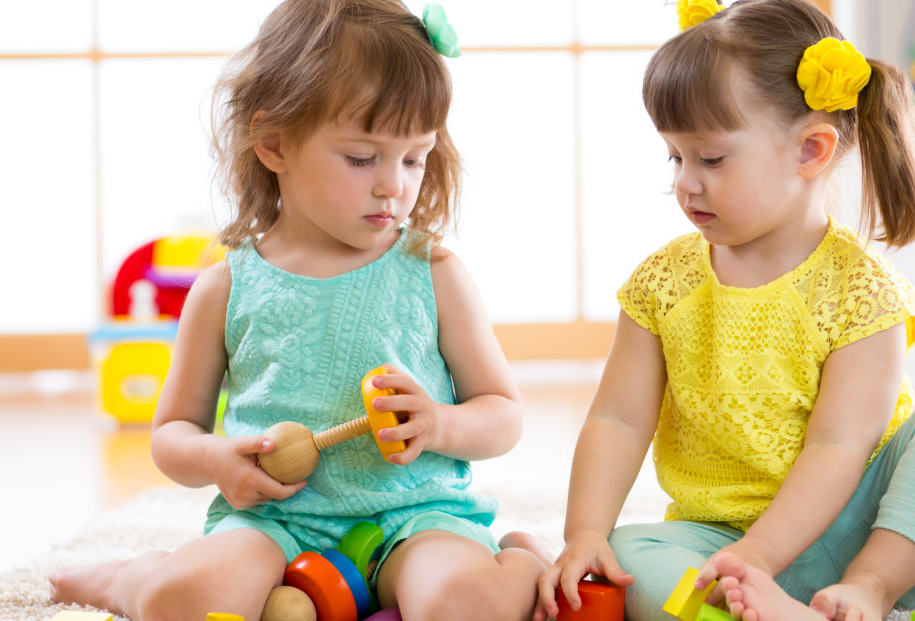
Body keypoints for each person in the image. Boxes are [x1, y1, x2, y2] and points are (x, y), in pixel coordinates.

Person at [48, 1, 549, 619]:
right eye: (362, 158)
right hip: (273, 523)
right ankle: (126, 578)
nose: (394, 184)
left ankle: (521, 556)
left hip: (415, 517)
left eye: (414, 158)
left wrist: (439, 426)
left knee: (470, 604)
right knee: (183, 600)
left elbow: (502, 414)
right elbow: (171, 436)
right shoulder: (225, 286)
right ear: (274, 144)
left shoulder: (435, 273)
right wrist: (214, 460)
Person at [533, 1, 915, 620]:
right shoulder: (663, 283)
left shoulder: (860, 292)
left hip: (861, 534)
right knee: (631, 552)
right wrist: (585, 534)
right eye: (674, 157)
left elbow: (839, 445)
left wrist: (765, 555)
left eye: (710, 159)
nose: (685, 181)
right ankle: (763, 611)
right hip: (717, 545)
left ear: (811, 152)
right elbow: (618, 421)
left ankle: (864, 594)